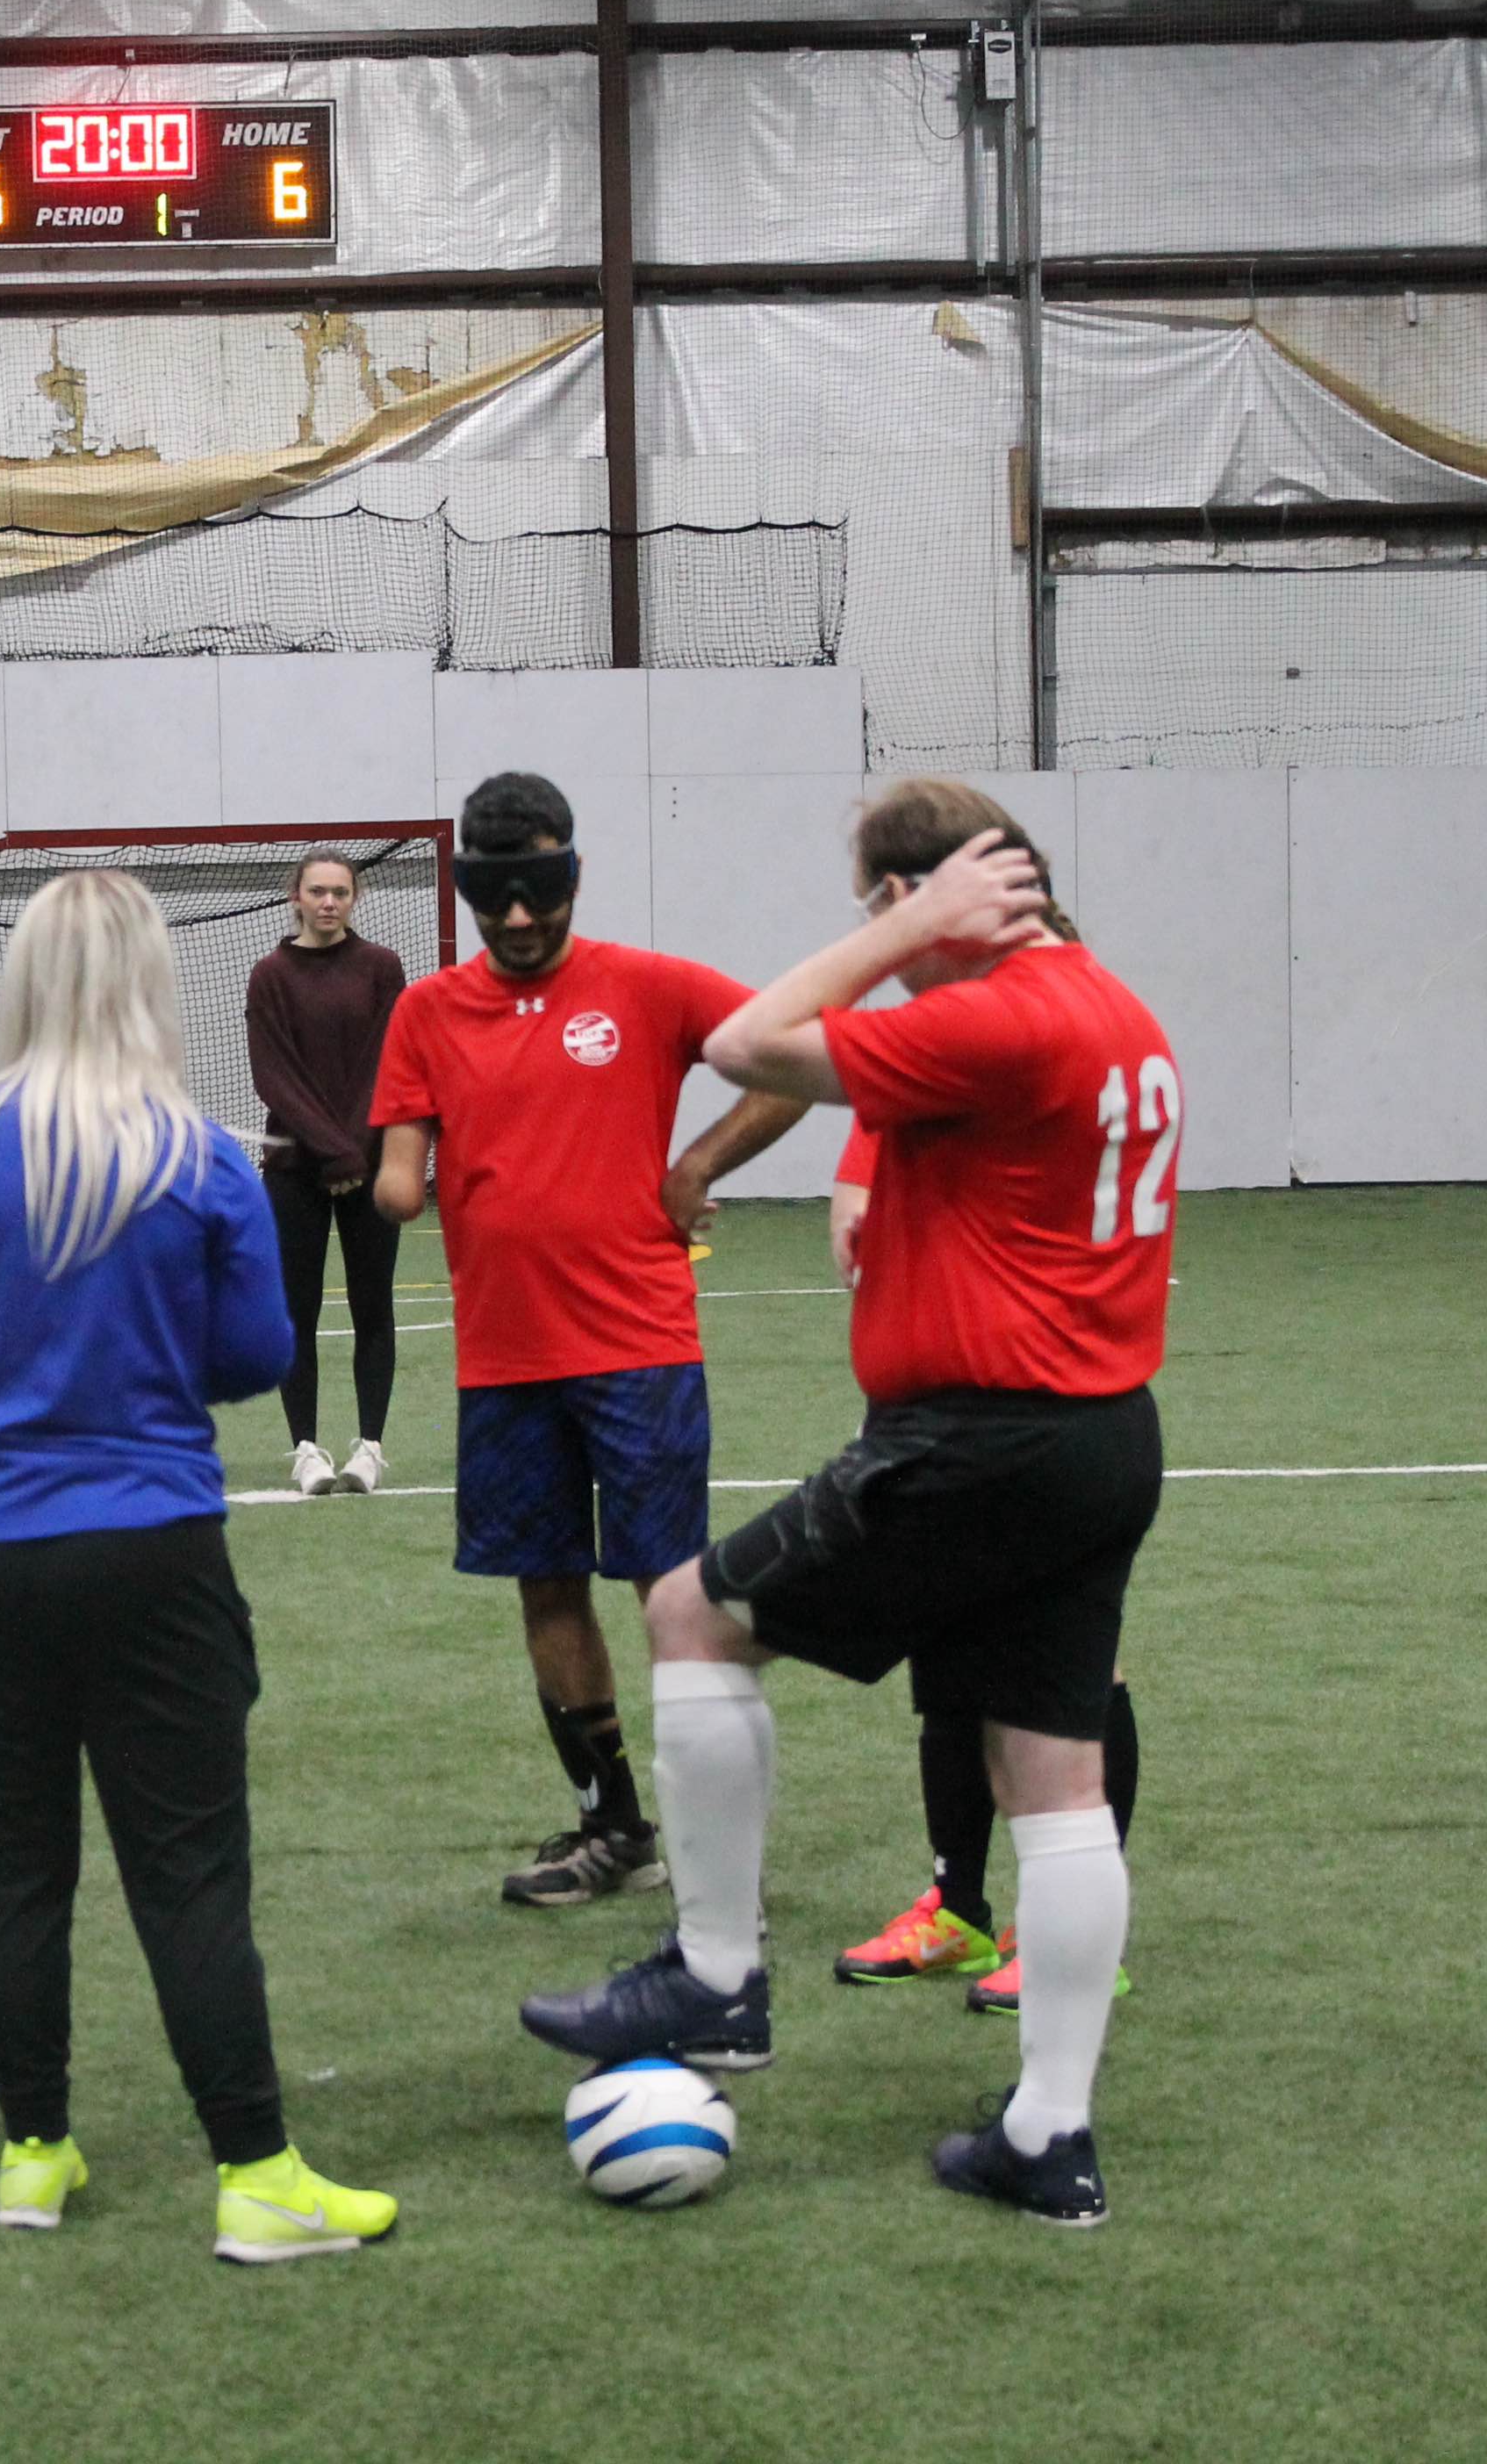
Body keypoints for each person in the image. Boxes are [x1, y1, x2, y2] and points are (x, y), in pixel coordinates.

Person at [520, 778, 1180, 2229]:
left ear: (920, 897)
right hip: (1097, 1436)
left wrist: (899, 937)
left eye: (887, 905)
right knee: (1053, 1778)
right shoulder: (1112, 1005)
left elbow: (741, 1039)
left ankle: (711, 1978)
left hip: (982, 1437)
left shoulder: (997, 1004)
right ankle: (1049, 2137)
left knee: (692, 1615)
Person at [0, 870, 399, 2265]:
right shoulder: (199, 1158)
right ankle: (254, 2172)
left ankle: (34, 2152)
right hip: (151, 1551)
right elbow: (257, 1360)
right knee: (186, 1873)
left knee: (10, 1874)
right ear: (148, 985)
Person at [369, 772, 808, 1911]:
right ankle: (613, 1825)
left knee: (675, 1596)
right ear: (468, 889)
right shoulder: (424, 1014)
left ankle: (719, 1841)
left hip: (640, 1347)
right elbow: (400, 1167)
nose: (519, 920)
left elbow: (797, 1056)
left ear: (573, 876)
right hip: (505, 1361)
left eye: (541, 893)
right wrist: (391, 1178)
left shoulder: (648, 987)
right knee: (546, 1590)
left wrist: (700, 1163)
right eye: (495, 896)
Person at [823, 1125, 1142, 2016]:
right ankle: (958, 1907)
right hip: (928, 1398)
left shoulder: (1055, 1059)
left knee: (1072, 1658)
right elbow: (854, 1222)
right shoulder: (910, 1071)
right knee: (950, 1639)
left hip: (1047, 1399)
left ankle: (1076, 1937)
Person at [247, 846, 408, 1497]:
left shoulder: (381, 969)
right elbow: (275, 1077)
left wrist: (356, 1152)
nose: (329, 902)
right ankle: (306, 1450)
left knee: (374, 1307)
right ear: (296, 897)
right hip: (295, 1171)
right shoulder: (270, 976)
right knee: (296, 1311)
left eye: (340, 891)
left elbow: (388, 1063)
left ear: (355, 898)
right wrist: (334, 1151)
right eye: (317, 891)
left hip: (370, 1166)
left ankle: (368, 1448)